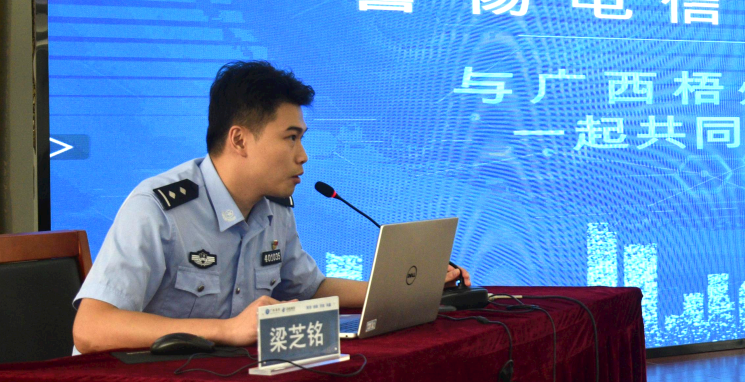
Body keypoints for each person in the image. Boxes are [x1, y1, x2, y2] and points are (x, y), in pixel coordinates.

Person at [71, 60, 469, 354]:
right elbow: (91, 329)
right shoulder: (159, 208)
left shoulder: (275, 207)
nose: (303, 155)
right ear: (239, 140)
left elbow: (310, 289)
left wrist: (408, 290)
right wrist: (227, 330)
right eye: (291, 138)